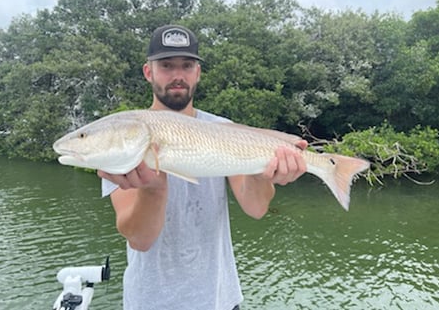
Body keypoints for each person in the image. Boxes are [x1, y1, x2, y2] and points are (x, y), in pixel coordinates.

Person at [98, 24, 308, 310]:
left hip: (220, 300)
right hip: (150, 302)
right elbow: (140, 240)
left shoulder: (224, 129)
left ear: (197, 73)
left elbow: (256, 208)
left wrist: (262, 174)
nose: (177, 75)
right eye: (166, 65)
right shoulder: (126, 136)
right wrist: (154, 190)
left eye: (186, 65)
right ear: (148, 72)